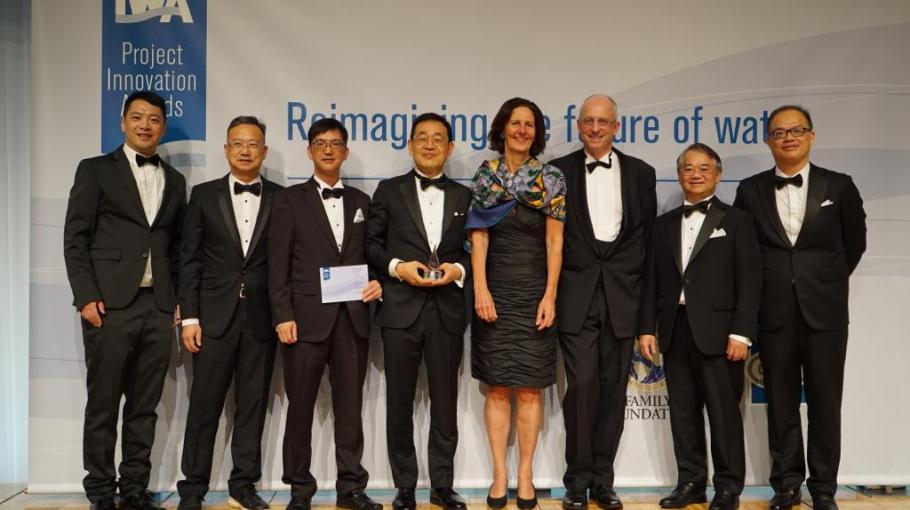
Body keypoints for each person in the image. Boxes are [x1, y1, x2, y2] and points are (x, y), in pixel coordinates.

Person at [734, 105, 866, 510]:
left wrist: (820, 282)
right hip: (773, 313)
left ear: (811, 136)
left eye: (797, 130)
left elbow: (854, 244)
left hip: (824, 313)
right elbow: (745, 252)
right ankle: (786, 485)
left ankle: (824, 487)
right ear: (768, 140)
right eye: (779, 132)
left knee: (826, 402)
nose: (788, 137)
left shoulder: (839, 186)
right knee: (781, 402)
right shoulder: (751, 190)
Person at [63, 90, 186, 510]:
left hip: (158, 306)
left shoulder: (176, 180)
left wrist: (178, 302)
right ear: (122, 122)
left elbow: (176, 247)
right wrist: (86, 297)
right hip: (109, 306)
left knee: (144, 406)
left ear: (163, 127)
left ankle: (133, 489)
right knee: (103, 404)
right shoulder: (95, 170)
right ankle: (99, 490)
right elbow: (75, 239)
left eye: (154, 119)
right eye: (137, 117)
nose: (145, 125)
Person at [268, 118, 383, 510]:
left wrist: (379, 283)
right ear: (310, 151)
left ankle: (351, 489)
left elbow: (372, 257)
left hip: (352, 320)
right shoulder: (288, 199)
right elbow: (276, 264)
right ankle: (299, 490)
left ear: (346, 151)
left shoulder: (362, 203)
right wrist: (283, 315)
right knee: (299, 408)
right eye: (321, 144)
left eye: (336, 144)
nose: (329, 150)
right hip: (303, 321)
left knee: (350, 409)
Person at [638, 144, 761, 510]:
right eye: (688, 168)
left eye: (704, 168)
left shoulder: (738, 221)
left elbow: (750, 280)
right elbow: (652, 281)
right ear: (679, 176)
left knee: (724, 415)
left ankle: (727, 488)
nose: (695, 174)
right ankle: (690, 482)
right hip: (674, 331)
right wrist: (647, 328)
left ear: (717, 175)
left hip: (721, 335)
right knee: (683, 413)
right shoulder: (662, 225)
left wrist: (741, 333)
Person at [548, 94, 656, 510]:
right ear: (579, 126)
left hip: (623, 299)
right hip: (575, 296)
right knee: (582, 388)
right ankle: (576, 480)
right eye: (588, 121)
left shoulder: (642, 173)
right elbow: (550, 240)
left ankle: (603, 481)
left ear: (616, 126)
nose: (595, 128)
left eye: (603, 121)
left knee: (614, 392)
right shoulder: (558, 171)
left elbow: (645, 246)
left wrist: (647, 315)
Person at [365, 113, 471, 510]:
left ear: (450, 147)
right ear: (409, 145)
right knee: (399, 403)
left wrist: (458, 270)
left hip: (446, 310)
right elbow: (371, 244)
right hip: (399, 310)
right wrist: (397, 268)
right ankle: (405, 487)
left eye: (438, 138)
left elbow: (474, 250)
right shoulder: (388, 191)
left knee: (445, 403)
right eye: (422, 138)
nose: (429, 144)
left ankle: (442, 487)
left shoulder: (464, 195)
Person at [175, 116, 282, 510]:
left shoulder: (280, 197)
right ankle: (192, 489)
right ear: (225, 149)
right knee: (204, 406)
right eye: (237, 143)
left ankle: (244, 485)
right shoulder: (202, 196)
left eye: (253, 144)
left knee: (252, 404)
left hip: (261, 317)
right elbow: (189, 261)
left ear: (264, 151)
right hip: (212, 318)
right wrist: (190, 317)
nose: (245, 150)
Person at [467, 97, 565, 510]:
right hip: (495, 292)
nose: (522, 130)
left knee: (528, 390)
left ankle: (524, 473)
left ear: (536, 133)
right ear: (502, 129)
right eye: (515, 123)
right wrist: (480, 289)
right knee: (497, 389)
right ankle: (498, 474)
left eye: (530, 124)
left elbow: (555, 241)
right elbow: (479, 238)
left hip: (534, 294)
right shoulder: (485, 176)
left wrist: (550, 296)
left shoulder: (551, 178)